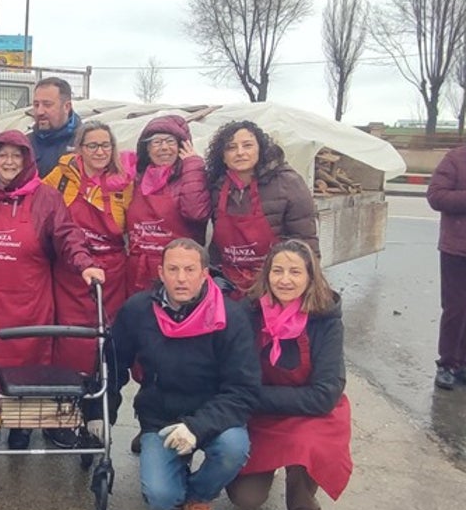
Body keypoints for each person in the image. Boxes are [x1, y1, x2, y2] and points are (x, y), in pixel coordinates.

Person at [110, 238, 258, 510]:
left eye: (190, 270)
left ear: (205, 273)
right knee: (161, 499)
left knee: (234, 448)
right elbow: (112, 365)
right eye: (173, 269)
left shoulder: (230, 318)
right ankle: (176, 485)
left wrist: (196, 428)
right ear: (160, 272)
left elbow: (243, 391)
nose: (181, 278)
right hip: (161, 417)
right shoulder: (137, 310)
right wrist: (100, 416)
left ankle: (199, 500)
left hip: (215, 419)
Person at [0, 130, 101, 449]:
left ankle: (23, 427)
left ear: (28, 161)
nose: (10, 161)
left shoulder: (46, 197)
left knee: (28, 369)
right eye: (3, 155)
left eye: (17, 155)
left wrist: (85, 263)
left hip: (30, 303)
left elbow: (68, 235)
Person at [226, 240, 353, 510]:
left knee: (305, 445)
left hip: (311, 415)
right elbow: (230, 370)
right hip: (262, 416)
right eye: (277, 271)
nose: (285, 280)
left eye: (295, 272)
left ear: (310, 277)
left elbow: (323, 395)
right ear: (266, 275)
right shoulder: (249, 313)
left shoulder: (326, 321)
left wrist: (254, 396)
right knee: (245, 498)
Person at [41, 122, 133, 378]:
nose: (100, 151)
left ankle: (104, 401)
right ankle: (70, 397)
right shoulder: (60, 177)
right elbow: (35, 198)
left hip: (112, 273)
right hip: (70, 274)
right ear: (80, 148)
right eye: (92, 145)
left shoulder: (124, 182)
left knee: (108, 338)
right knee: (71, 339)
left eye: (105, 145)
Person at [205, 120, 318, 297]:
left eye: (247, 145)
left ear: (260, 149)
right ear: (223, 156)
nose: (240, 153)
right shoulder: (217, 187)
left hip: (275, 283)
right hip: (229, 284)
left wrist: (309, 285)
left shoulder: (288, 184)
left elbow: (306, 240)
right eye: (231, 147)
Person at [127, 114, 211, 295]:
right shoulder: (136, 179)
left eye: (170, 141)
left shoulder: (191, 176)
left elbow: (196, 212)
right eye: (156, 142)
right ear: (147, 149)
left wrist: (193, 165)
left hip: (179, 273)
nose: (164, 147)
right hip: (138, 271)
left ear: (182, 146)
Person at [427, 142, 466, 389]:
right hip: (457, 250)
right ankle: (448, 364)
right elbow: (436, 195)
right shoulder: (456, 158)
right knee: (456, 309)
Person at [28, 77, 79, 177]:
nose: (40, 111)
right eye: (36, 105)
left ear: (66, 107)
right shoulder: (26, 144)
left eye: (47, 105)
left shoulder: (84, 143)